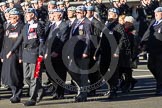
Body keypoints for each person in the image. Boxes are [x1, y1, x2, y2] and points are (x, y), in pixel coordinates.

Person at [6, 8, 45, 106]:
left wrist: (41, 53)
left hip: (35, 53)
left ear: (33, 15)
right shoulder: (26, 26)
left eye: (28, 13)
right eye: (26, 13)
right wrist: (11, 50)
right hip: (26, 53)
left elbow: (41, 40)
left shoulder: (38, 25)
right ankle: (40, 90)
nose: (26, 15)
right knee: (27, 77)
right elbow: (20, 39)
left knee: (34, 77)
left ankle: (32, 99)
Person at [67, 5, 92, 102]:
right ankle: (82, 88)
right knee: (72, 70)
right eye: (76, 12)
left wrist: (86, 51)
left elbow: (89, 38)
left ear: (84, 13)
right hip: (74, 51)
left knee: (83, 74)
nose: (77, 14)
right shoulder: (75, 22)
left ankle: (83, 94)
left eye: (79, 12)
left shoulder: (87, 23)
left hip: (82, 52)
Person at [45, 8, 69, 100]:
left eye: (54, 14)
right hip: (50, 52)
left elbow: (63, 40)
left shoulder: (64, 25)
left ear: (60, 15)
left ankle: (59, 93)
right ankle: (55, 91)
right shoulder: (53, 25)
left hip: (59, 54)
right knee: (50, 72)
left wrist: (56, 51)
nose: (53, 16)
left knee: (59, 73)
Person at [0, 8, 24, 103]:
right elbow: (4, 42)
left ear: (17, 17)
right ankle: (14, 93)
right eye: (9, 17)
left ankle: (17, 94)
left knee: (15, 75)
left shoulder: (21, 27)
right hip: (6, 54)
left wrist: (21, 56)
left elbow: (21, 43)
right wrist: (2, 54)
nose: (9, 18)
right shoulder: (9, 26)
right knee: (7, 76)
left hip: (15, 54)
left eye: (11, 17)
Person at [141, 7, 162, 95]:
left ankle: (159, 88)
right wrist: (142, 43)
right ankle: (160, 81)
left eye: (158, 12)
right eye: (155, 12)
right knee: (151, 66)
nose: (156, 14)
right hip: (151, 49)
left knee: (159, 69)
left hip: (160, 50)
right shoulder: (153, 22)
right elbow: (147, 33)